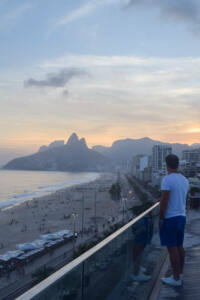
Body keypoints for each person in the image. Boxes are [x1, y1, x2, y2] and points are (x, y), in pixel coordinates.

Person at [159, 154, 189, 286]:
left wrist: (161, 218)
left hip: (170, 218)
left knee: (172, 248)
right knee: (179, 246)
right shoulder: (184, 180)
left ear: (167, 165)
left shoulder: (167, 179)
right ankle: (179, 274)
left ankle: (176, 278)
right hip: (182, 217)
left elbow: (164, 200)